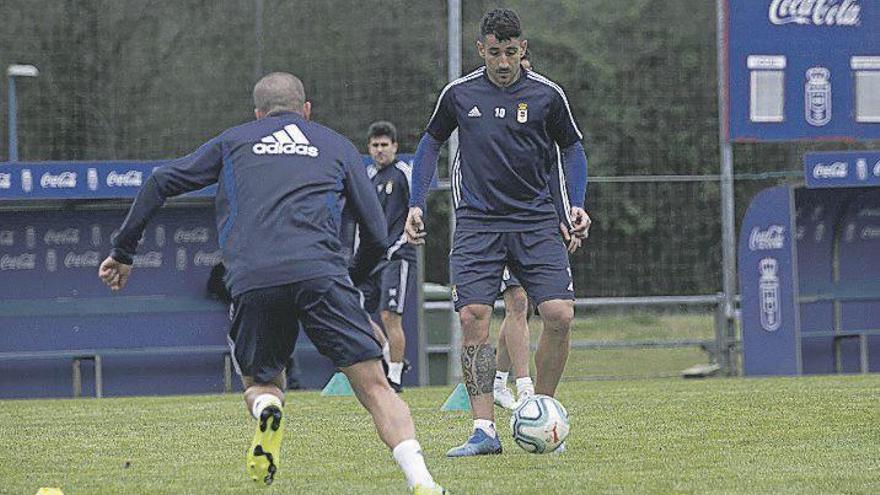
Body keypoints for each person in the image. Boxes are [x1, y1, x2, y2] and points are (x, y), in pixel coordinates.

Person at [98, 72, 446, 493]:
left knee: (260, 381)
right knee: (375, 387)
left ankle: (266, 407)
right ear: (306, 110)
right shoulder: (335, 144)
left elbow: (159, 181)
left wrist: (123, 251)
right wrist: (349, 279)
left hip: (254, 277)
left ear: (258, 113)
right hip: (322, 273)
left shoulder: (234, 142)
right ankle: (422, 481)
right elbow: (375, 233)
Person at [405, 8, 590, 457]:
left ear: (522, 49)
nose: (503, 62)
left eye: (511, 52)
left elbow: (572, 147)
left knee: (560, 316)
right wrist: (416, 201)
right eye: (494, 53)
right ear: (480, 50)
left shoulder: (547, 95)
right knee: (473, 318)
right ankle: (483, 430)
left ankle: (542, 411)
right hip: (478, 223)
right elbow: (430, 143)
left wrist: (575, 204)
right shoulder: (459, 94)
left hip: (535, 220)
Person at [357, 121, 416, 392]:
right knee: (355, 310)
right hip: (373, 259)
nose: (380, 150)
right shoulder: (368, 177)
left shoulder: (403, 173)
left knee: (390, 315)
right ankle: (391, 357)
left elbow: (416, 209)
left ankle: (394, 379)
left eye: (385, 145)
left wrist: (398, 243)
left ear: (395, 147)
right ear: (369, 148)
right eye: (375, 145)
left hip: (397, 255)